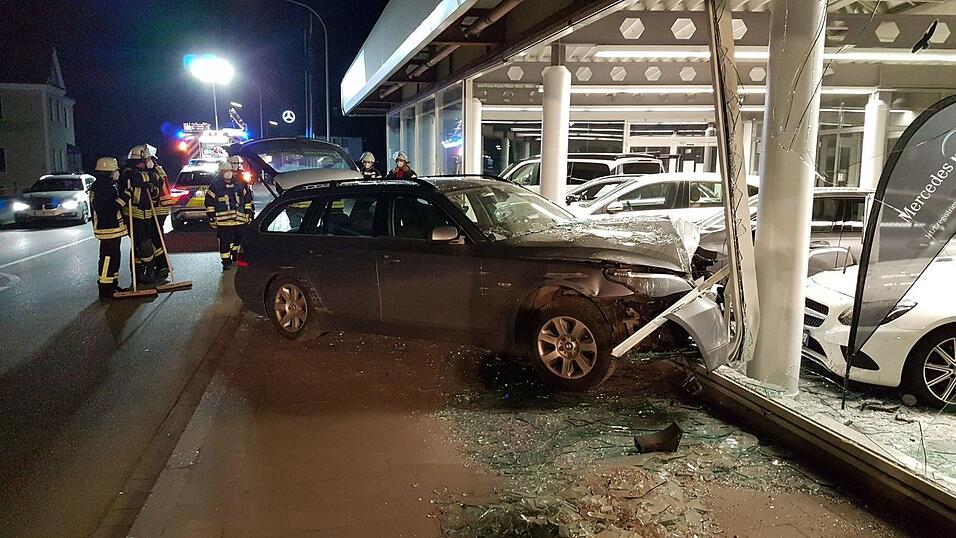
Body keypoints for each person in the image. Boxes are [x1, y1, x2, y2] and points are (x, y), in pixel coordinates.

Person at [118, 145, 168, 284]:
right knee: (142, 243)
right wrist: (147, 179)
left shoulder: (148, 171)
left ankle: (141, 273)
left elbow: (157, 180)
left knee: (144, 244)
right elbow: (138, 179)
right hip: (134, 214)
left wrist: (150, 179)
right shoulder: (128, 172)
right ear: (142, 159)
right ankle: (149, 270)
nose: (150, 161)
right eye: (148, 159)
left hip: (148, 213)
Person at [89, 157, 129, 298]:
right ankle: (106, 288)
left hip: (111, 228)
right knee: (108, 258)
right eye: (115, 170)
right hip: (107, 228)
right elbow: (109, 208)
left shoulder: (104, 186)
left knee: (114, 257)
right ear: (108, 172)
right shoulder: (102, 187)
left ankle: (112, 284)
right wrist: (124, 198)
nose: (117, 173)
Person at [205, 161, 254, 270]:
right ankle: (226, 262)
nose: (228, 173)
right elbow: (209, 203)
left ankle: (235, 255)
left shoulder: (240, 184)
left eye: (229, 170)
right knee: (225, 242)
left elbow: (248, 200)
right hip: (224, 222)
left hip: (240, 220)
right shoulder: (215, 187)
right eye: (225, 171)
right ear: (220, 173)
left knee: (239, 240)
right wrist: (212, 217)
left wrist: (249, 214)